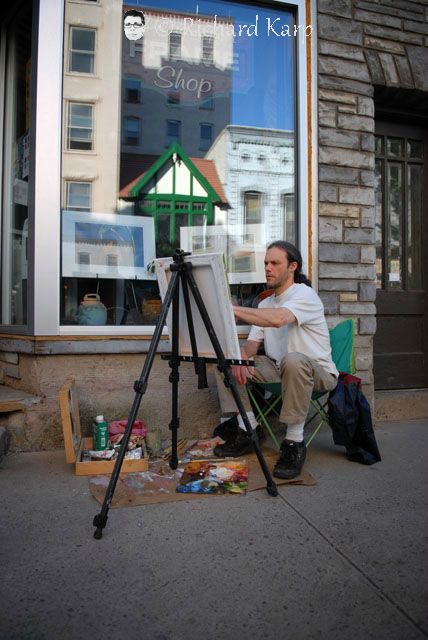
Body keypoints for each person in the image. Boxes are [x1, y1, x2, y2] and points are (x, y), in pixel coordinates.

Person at [214, 240, 338, 479]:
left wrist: (233, 310)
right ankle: (248, 428)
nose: (268, 268)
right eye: (265, 263)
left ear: (292, 266)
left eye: (274, 263)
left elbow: (279, 319)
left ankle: (294, 442)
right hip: (278, 369)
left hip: (318, 373)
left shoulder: (305, 295)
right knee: (225, 359)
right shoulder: (265, 303)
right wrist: (239, 356)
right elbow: (252, 344)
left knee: (293, 360)